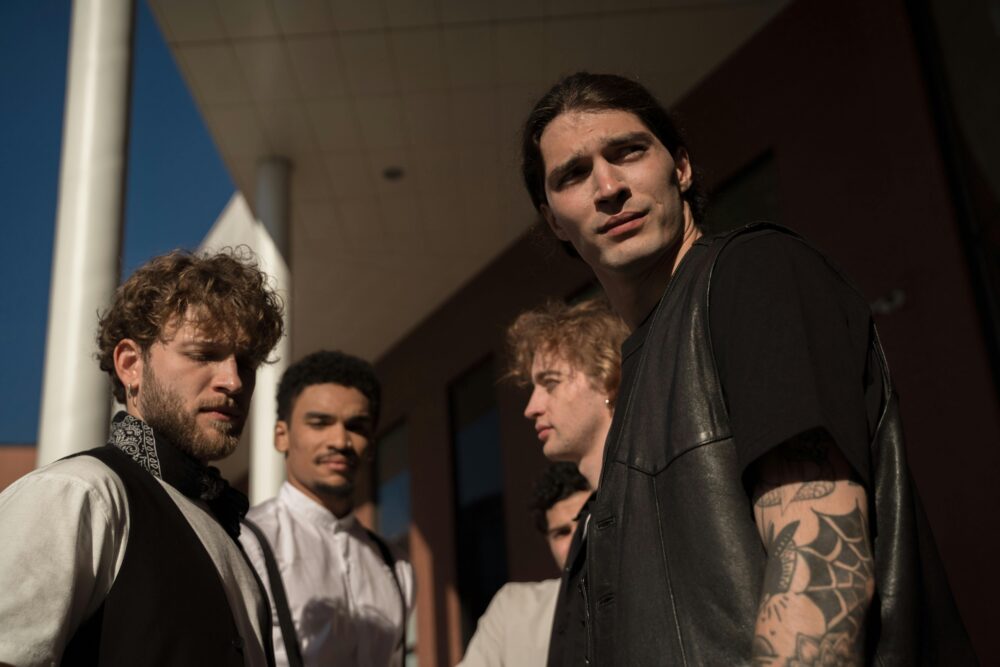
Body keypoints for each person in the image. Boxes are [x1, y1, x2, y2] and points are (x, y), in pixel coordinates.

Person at [519, 72, 976, 665]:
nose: (607, 186)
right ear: (554, 219)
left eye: (627, 152)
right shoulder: (640, 370)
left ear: (679, 168)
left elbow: (818, 574)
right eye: (573, 175)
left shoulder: (749, 275)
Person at [0, 248, 285, 666]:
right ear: (131, 364)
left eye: (246, 362)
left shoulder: (227, 534)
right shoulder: (79, 494)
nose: (233, 381)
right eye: (204, 354)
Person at [239, 350, 414, 667]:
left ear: (371, 444)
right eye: (320, 423)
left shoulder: (397, 567)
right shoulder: (246, 543)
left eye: (356, 426)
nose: (340, 440)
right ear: (282, 436)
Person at [502, 298, 628, 666]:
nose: (531, 407)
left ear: (608, 377)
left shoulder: (654, 498)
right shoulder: (592, 521)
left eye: (550, 383)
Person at [459, 463, 590, 667]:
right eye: (562, 533)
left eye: (586, 522)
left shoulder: (645, 596)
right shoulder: (512, 609)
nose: (576, 541)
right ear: (548, 542)